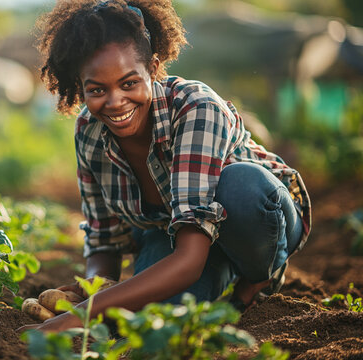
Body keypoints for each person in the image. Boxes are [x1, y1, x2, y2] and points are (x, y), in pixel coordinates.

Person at [18, 0, 312, 333]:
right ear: (80, 86)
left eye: (129, 83)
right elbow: (104, 241)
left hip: (259, 219)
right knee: (150, 323)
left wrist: (77, 317)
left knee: (239, 185)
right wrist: (93, 288)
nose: (115, 102)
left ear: (154, 68)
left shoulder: (195, 109)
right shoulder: (88, 130)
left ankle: (254, 283)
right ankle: (218, 284)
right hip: (176, 232)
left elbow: (188, 261)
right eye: (97, 90)